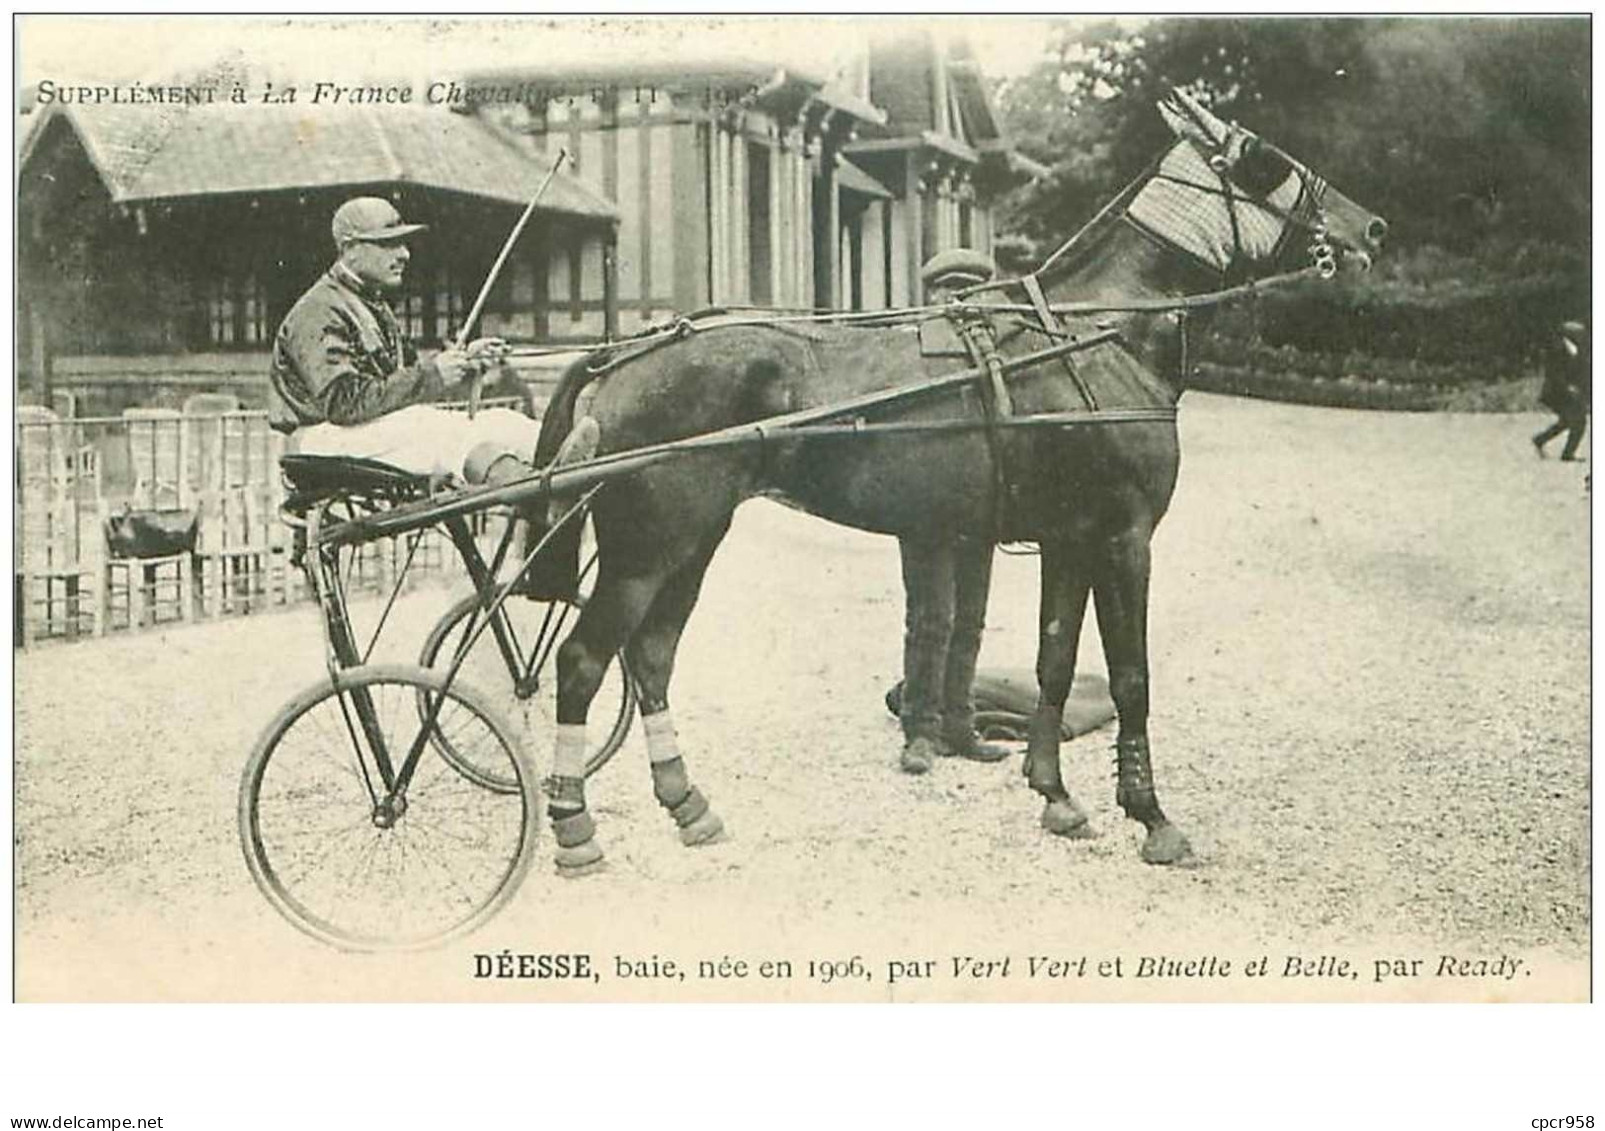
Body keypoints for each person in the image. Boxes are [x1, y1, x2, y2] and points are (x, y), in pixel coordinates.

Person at [268, 196, 556, 487]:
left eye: (403, 243)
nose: (404, 254)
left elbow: (402, 382)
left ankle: (565, 459)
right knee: (443, 432)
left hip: (372, 428)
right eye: (388, 243)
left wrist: (466, 362)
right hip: (323, 438)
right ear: (350, 249)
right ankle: (535, 493)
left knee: (502, 421)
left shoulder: (370, 303)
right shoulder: (319, 310)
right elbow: (343, 403)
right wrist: (433, 374)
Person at [897, 249, 1015, 775]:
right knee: (932, 618)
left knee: (969, 618)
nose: (959, 302)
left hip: (980, 506)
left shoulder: (997, 353)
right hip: (924, 503)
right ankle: (920, 730)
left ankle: (960, 724)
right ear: (934, 297)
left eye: (969, 292)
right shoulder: (913, 348)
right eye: (950, 293)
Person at [1532, 319, 1590, 462]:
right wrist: (1567, 387)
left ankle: (1540, 440)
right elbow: (1553, 372)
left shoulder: (1577, 348)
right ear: (1569, 334)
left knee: (1567, 421)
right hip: (1556, 392)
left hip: (1569, 392)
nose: (1583, 335)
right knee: (1578, 421)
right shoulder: (1556, 348)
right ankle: (1567, 454)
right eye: (1579, 333)